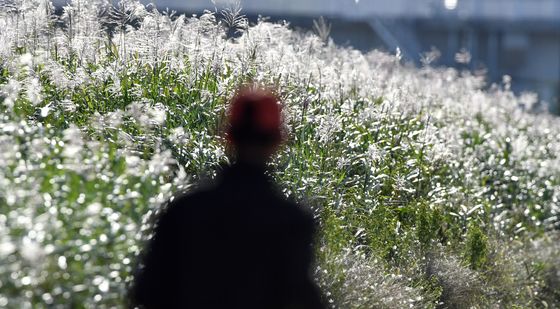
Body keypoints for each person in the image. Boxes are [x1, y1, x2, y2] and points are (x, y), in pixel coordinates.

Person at [128, 87, 325, 309]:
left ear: (228, 137)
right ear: (277, 142)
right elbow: (298, 294)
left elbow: (146, 291)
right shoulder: (292, 221)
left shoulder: (184, 210)